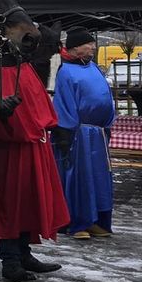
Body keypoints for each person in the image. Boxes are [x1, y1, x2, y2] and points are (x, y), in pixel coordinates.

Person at [0, 45, 68, 282]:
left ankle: (23, 253)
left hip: (31, 144)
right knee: (8, 204)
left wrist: (51, 125)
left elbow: (36, 99)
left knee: (26, 201)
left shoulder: (23, 64)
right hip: (5, 147)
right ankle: (10, 261)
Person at [51, 28, 116, 239]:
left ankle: (95, 219)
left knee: (99, 179)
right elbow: (64, 103)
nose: (94, 47)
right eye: (89, 44)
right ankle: (77, 222)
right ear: (76, 47)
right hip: (79, 135)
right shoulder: (66, 72)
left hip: (98, 134)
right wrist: (66, 132)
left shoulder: (94, 67)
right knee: (81, 179)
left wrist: (107, 125)